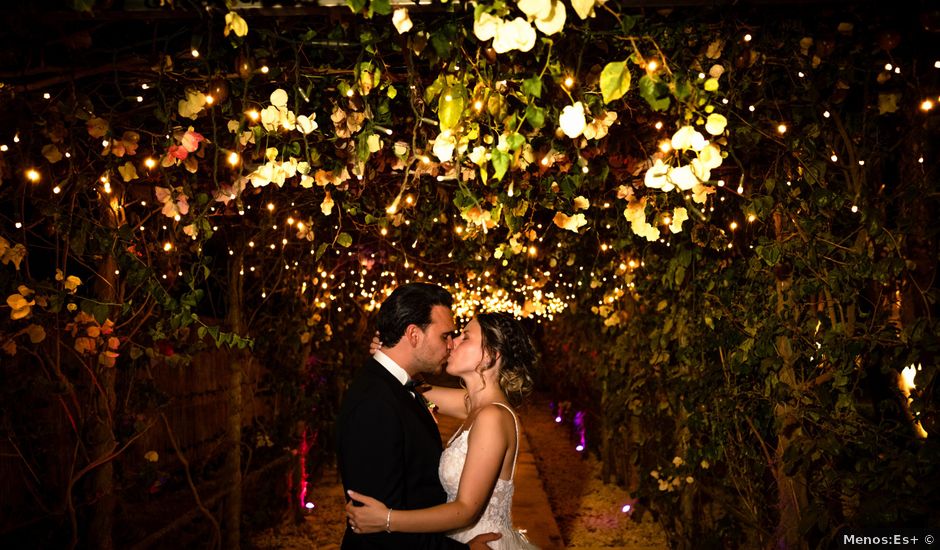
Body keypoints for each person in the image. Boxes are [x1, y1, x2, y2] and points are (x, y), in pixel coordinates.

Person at [345, 310, 539, 550]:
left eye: (465, 337)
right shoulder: (475, 405)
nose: (453, 342)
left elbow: (466, 510)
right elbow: (413, 391)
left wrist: (386, 519)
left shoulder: (492, 417)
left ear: (491, 354)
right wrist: (393, 356)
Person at [336, 282, 500, 549]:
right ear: (413, 334)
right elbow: (378, 531)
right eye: (444, 336)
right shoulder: (375, 403)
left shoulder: (397, 388)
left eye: (459, 337)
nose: (450, 345)